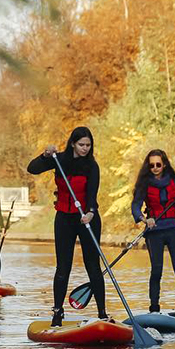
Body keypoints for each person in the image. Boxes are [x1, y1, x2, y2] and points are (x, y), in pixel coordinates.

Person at [27, 126, 109, 327]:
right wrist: (46, 156)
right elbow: (32, 168)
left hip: (87, 218)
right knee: (63, 267)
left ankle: (102, 313)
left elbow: (92, 194)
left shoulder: (92, 166)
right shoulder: (60, 160)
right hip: (64, 218)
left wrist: (90, 212)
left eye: (88, 145)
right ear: (73, 143)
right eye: (81, 144)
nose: (85, 149)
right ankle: (57, 312)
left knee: (93, 266)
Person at [129, 149, 175, 319]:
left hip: (174, 228)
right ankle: (154, 309)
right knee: (156, 270)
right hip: (154, 231)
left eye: (158, 165)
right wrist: (144, 219)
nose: (155, 168)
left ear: (165, 164)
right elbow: (135, 206)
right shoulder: (144, 184)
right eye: (152, 165)